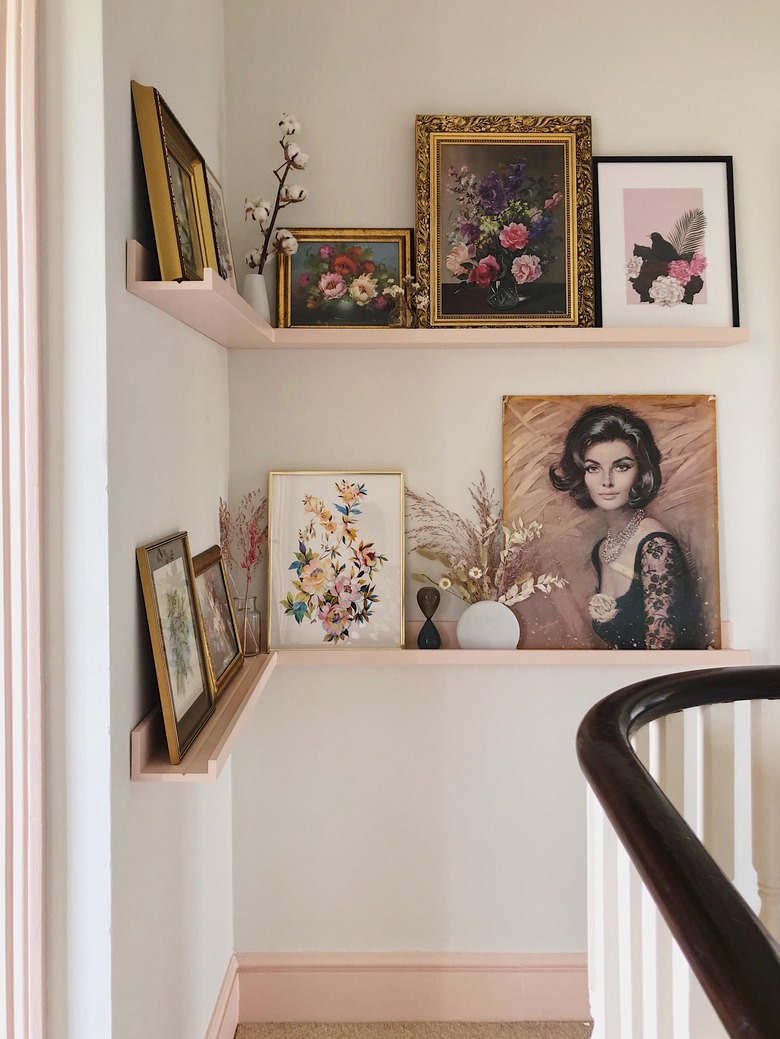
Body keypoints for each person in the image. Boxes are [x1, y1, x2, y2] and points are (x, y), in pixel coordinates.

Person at [548, 403, 702, 649]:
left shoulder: (656, 547)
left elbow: (663, 653)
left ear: (641, 472)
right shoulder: (603, 549)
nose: (607, 481)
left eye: (621, 467)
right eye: (593, 468)